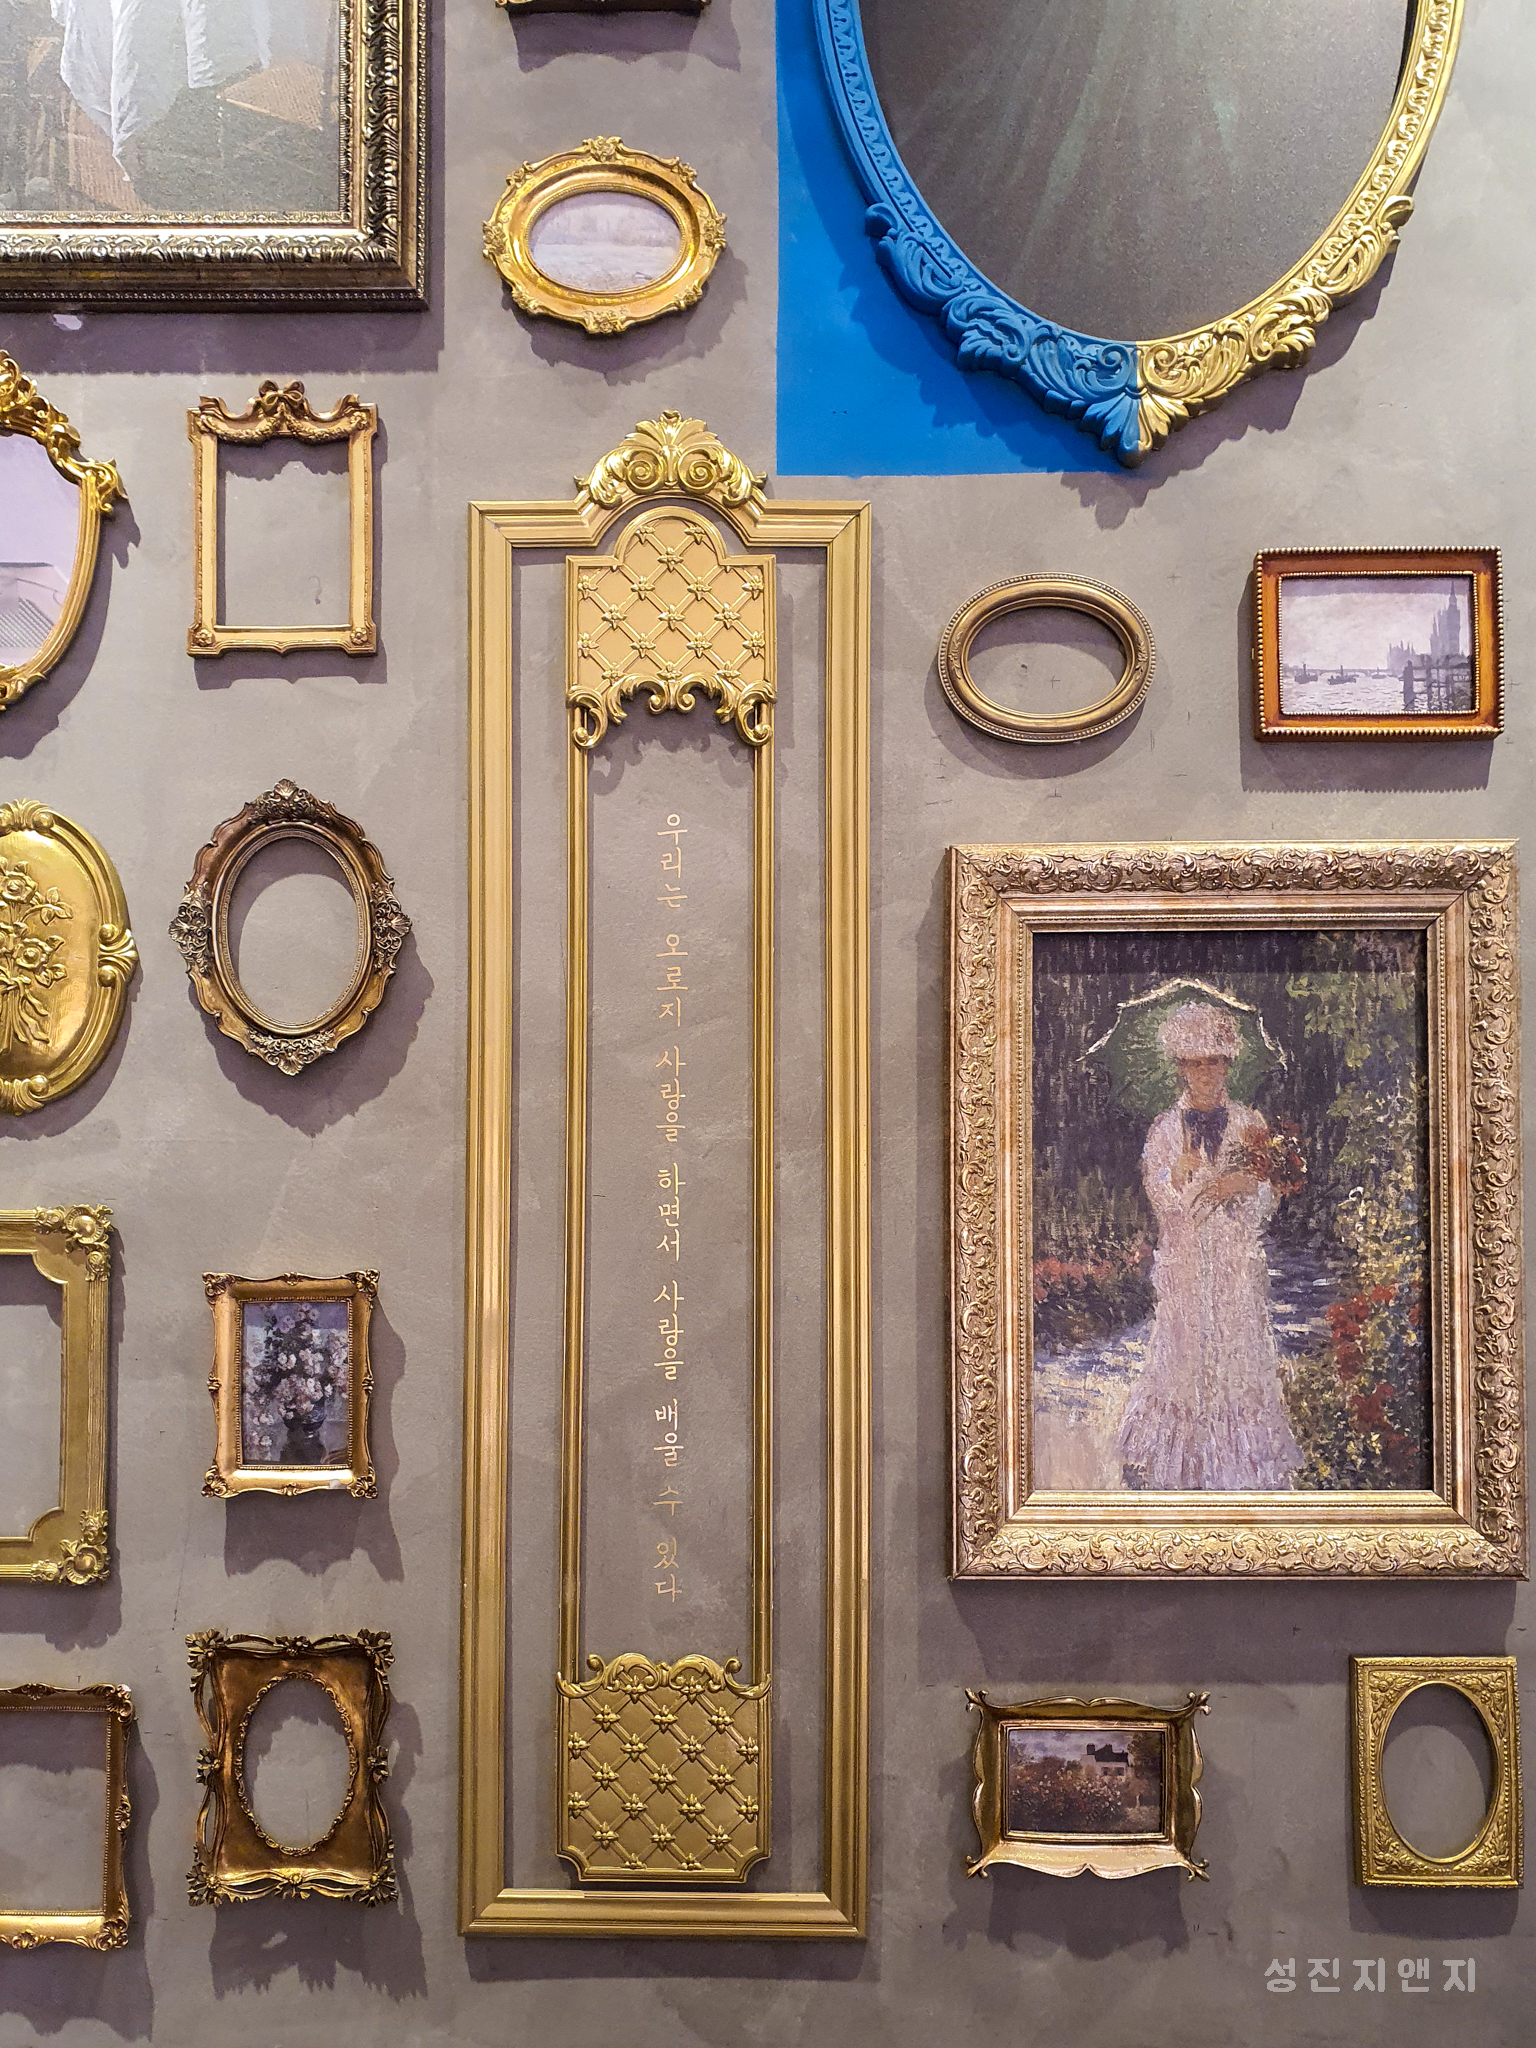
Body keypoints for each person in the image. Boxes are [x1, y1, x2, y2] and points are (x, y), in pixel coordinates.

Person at [1116, 1001, 1302, 1490]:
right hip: (1185, 1266)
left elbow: (1268, 1199)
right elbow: (1158, 1195)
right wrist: (1174, 1177)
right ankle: (1180, 1465)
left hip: (1234, 1264)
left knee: (1236, 1353)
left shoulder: (1249, 1124)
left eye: (1214, 1061)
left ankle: (1241, 1466)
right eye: (1195, 1063)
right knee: (1182, 1355)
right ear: (1181, 1068)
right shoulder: (1165, 1129)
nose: (1205, 1072)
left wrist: (1243, 1185)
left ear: (1228, 1064)